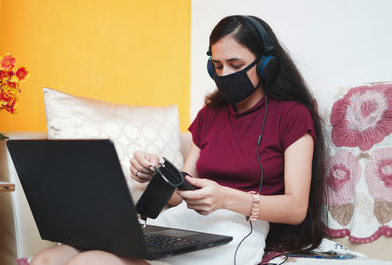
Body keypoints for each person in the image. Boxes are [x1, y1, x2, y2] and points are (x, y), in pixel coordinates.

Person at [31, 15, 327, 265]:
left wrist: (226, 198)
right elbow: (180, 193)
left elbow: (296, 208)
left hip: (235, 227)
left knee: (90, 262)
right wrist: (157, 177)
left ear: (266, 65)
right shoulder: (209, 115)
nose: (225, 74)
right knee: (47, 259)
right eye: (218, 65)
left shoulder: (292, 115)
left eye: (236, 64)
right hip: (182, 222)